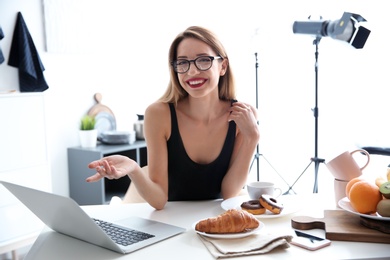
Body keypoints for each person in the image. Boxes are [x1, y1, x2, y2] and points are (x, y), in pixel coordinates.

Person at [86, 26, 260, 210]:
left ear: (223, 66)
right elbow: (159, 200)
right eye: (183, 63)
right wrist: (134, 168)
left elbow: (229, 192)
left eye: (203, 60)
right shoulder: (159, 115)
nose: (192, 72)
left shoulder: (241, 115)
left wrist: (252, 137)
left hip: (216, 218)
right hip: (169, 220)